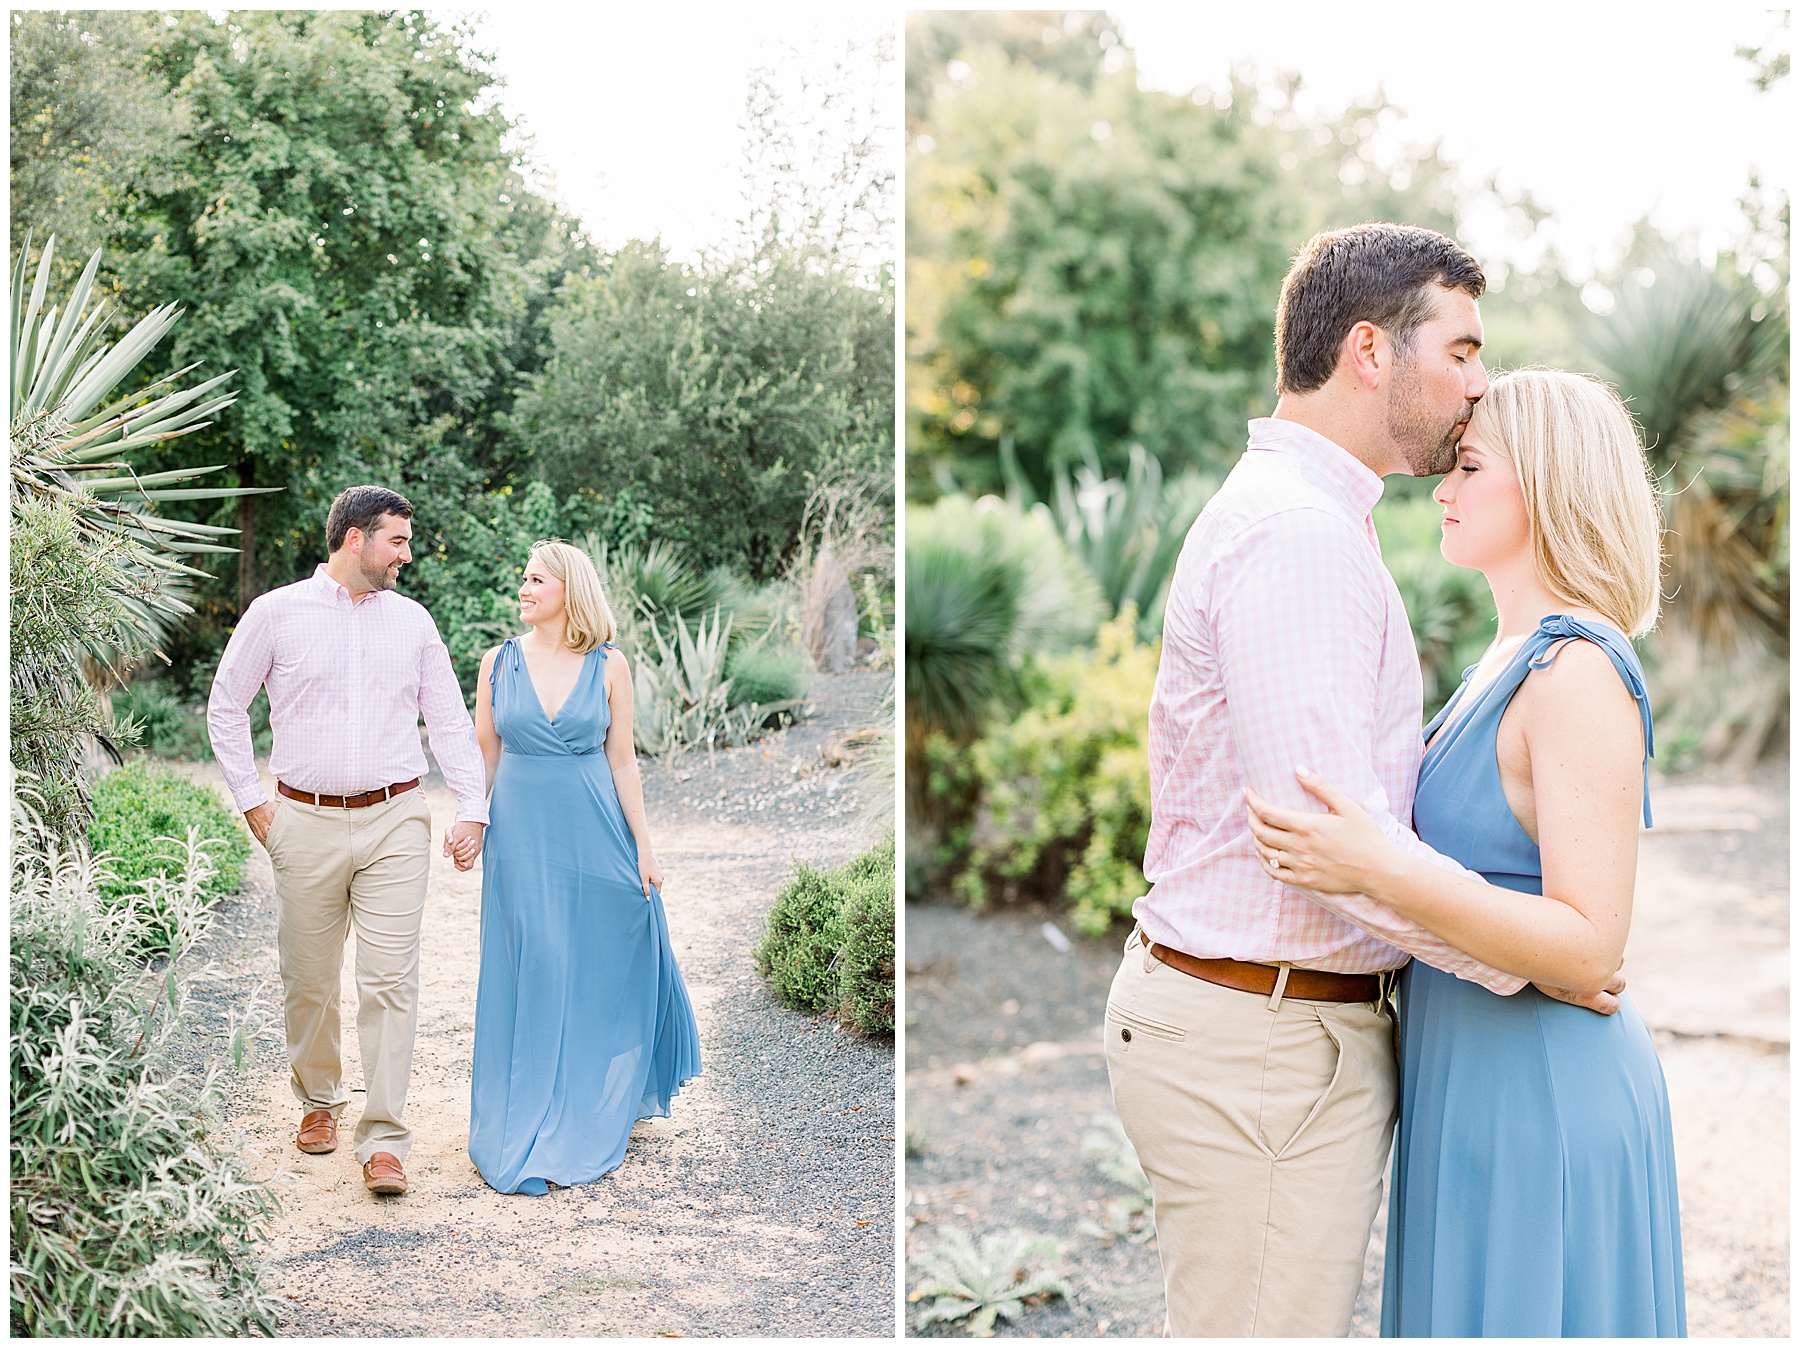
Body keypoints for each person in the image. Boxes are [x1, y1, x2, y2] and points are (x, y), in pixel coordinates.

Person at [1101, 223, 1623, 1337]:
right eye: (1465, 350)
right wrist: (1530, 965)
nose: (1479, 386)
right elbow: (1332, 850)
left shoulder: (1315, 520)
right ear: (1372, 351)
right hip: (1262, 1046)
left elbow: (1352, 843)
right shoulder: (1300, 535)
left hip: (1272, 1034)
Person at [1244, 369, 1684, 1336]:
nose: (1441, 488)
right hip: (1466, 1085)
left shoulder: (1576, 671)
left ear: (1552, 486)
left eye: (1470, 465)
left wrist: (1376, 863)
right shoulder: (1506, 658)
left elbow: (1590, 947)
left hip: (1540, 1094)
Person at [208, 484, 490, 1198]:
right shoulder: (276, 614)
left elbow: (450, 723)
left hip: (396, 817)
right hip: (301, 819)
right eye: (397, 539)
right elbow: (226, 706)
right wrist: (253, 803)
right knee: (308, 978)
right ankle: (319, 1101)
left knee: (390, 981)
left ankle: (386, 1138)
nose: (407, 554)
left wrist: (472, 807)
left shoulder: (414, 622)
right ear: (354, 538)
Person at [465, 540, 700, 1195]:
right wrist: (469, 820)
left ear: (570, 589)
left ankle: (590, 1098)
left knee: (594, 957)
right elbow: (483, 755)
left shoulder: (609, 666)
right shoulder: (497, 663)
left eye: (537, 579)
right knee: (532, 960)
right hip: (519, 837)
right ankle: (526, 1109)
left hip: (594, 831)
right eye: (524, 579)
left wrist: (643, 848)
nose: (524, 587)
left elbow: (622, 759)